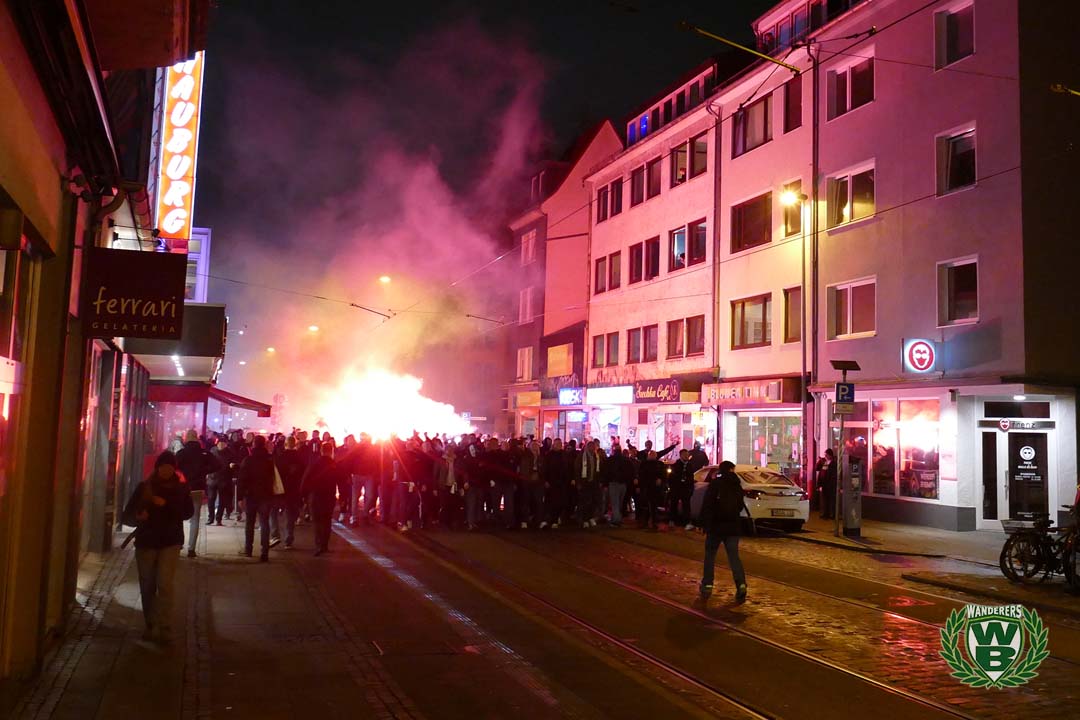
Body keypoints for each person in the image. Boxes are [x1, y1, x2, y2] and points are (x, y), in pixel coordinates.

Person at [122, 451, 194, 643]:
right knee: (147, 585)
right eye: (163, 466)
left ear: (174, 469)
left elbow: (188, 513)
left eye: (170, 467)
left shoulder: (181, 488)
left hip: (170, 541)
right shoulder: (144, 487)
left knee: (165, 584)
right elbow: (127, 515)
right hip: (147, 541)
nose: (166, 470)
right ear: (157, 467)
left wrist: (167, 505)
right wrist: (138, 517)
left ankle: (164, 625)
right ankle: (150, 624)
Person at [699, 461, 749, 603]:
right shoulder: (737, 485)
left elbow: (707, 504)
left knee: (710, 555)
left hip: (716, 526)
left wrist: (704, 523)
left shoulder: (715, 484)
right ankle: (741, 585)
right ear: (732, 470)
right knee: (734, 557)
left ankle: (707, 585)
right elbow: (740, 505)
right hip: (733, 527)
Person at [175, 429, 223, 558]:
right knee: (195, 518)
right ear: (197, 438)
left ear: (186, 438)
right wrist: (204, 471)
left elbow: (174, 467)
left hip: (183, 488)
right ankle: (191, 549)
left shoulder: (181, 453)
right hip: (198, 487)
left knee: (178, 517)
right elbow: (218, 465)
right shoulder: (204, 453)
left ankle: (179, 543)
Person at [237, 435, 275, 562]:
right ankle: (265, 552)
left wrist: (240, 497)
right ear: (264, 445)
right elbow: (273, 479)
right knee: (264, 523)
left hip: (251, 495)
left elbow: (241, 480)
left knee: (250, 523)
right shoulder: (270, 460)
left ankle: (248, 549)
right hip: (265, 495)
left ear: (253, 445)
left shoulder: (248, 460)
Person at [302, 441, 344, 555]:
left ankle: (318, 544)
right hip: (329, 497)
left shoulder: (314, 464)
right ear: (332, 452)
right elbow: (341, 482)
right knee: (326, 521)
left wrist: (304, 496)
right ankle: (324, 545)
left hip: (315, 496)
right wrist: (342, 498)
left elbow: (305, 480)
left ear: (321, 451)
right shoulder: (335, 465)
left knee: (317, 521)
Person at [275, 436, 306, 548]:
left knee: (283, 513)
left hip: (284, 489)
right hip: (295, 489)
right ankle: (289, 536)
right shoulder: (300, 457)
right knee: (291, 514)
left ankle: (279, 535)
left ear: (286, 444)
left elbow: (277, 473)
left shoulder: (281, 457)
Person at [669, 448, 696, 529]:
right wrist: (672, 487)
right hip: (676, 488)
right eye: (685, 455)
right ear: (681, 455)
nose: (687, 456)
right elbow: (671, 478)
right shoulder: (675, 465)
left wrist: (691, 488)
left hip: (686, 489)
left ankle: (686, 522)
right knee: (674, 504)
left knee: (686, 506)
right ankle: (673, 520)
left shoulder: (689, 466)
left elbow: (691, 478)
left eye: (687, 455)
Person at [816, 449, 837, 520]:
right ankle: (826, 514)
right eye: (825, 455)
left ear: (830, 455)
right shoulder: (824, 462)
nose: (825, 456)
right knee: (825, 500)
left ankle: (833, 514)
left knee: (832, 500)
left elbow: (833, 474)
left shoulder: (833, 463)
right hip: (824, 484)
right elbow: (817, 469)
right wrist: (819, 461)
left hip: (830, 485)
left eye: (826, 455)